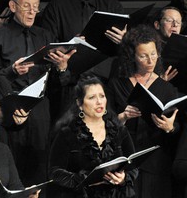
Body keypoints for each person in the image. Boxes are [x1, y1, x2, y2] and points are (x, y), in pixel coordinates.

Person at [0, 0, 75, 187]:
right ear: (12, 6)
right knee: (12, 168)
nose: (32, 11)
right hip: (10, 107)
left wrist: (62, 68)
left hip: (40, 110)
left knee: (39, 170)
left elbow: (57, 82)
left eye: (35, 7)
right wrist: (12, 71)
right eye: (26, 6)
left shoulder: (45, 37)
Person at [108, 24, 181, 198]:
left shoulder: (167, 88)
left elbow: (177, 127)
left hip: (155, 163)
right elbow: (103, 122)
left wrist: (170, 127)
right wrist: (122, 117)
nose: (150, 61)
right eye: (143, 56)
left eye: (154, 54)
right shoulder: (117, 84)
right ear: (132, 56)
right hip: (123, 161)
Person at [49, 76, 138, 198]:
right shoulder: (67, 133)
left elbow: (133, 166)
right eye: (92, 97)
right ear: (79, 103)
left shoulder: (119, 130)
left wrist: (123, 177)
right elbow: (55, 172)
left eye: (102, 96)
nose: (99, 102)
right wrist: (84, 179)